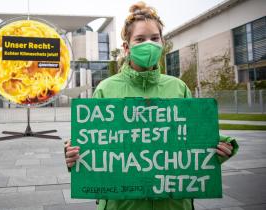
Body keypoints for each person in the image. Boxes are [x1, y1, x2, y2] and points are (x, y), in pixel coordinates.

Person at [64, 2, 239, 210]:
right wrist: (74, 154)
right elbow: (94, 145)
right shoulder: (105, 89)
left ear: (162, 42)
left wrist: (215, 152)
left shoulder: (179, 88)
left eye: (155, 38)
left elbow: (190, 142)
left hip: (174, 204)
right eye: (140, 39)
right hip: (122, 205)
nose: (149, 44)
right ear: (127, 47)